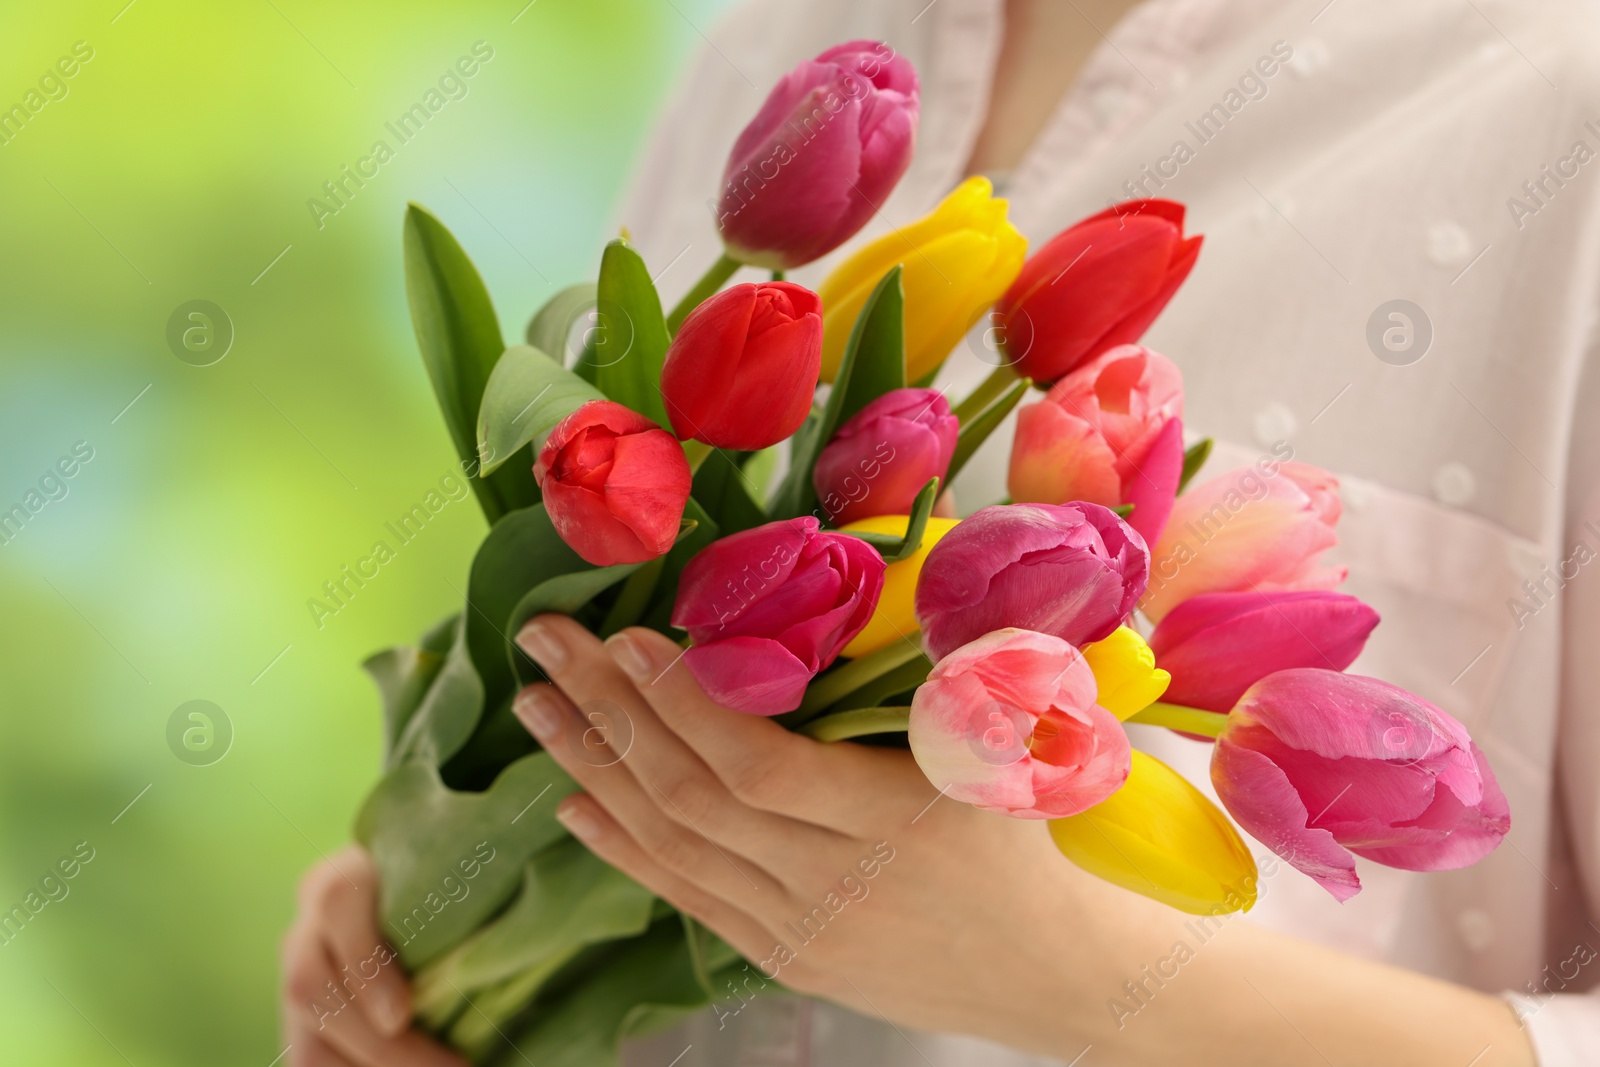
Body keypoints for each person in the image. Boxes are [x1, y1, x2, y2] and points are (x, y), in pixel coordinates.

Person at [281, 0, 1600, 1063]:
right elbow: (622, 607)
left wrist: (1099, 984)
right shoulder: (774, 48)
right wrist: (455, 909)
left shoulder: (1558, 110)